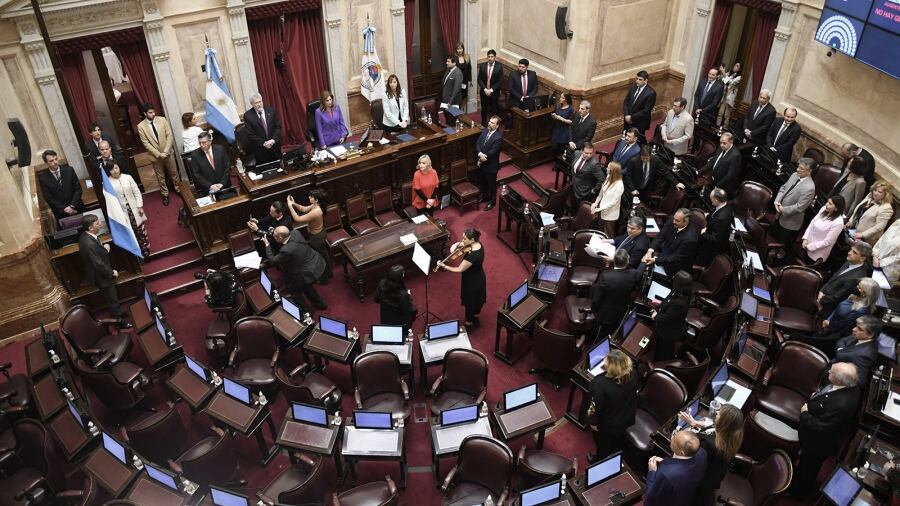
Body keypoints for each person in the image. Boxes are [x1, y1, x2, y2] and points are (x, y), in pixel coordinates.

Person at [788, 362, 860, 499]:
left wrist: (804, 414)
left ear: (839, 380)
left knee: (808, 469)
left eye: (831, 372)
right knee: (804, 464)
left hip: (818, 443)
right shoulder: (851, 385)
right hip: (816, 431)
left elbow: (822, 427)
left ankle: (798, 494)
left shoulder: (842, 405)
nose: (828, 372)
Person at [678, 404, 744, 498]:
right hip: (713, 475)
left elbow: (689, 463)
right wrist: (694, 422)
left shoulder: (708, 445)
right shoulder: (731, 436)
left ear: (723, 422)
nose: (717, 412)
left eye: (719, 413)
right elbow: (712, 426)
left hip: (699, 482)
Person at [78, 214, 131, 328]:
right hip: (100, 276)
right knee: (112, 298)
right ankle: (119, 322)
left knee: (112, 296)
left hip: (99, 273)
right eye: (97, 223)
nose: (100, 224)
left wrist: (104, 249)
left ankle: (118, 312)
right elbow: (98, 264)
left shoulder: (85, 236)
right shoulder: (89, 244)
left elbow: (96, 253)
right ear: (90, 227)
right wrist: (112, 273)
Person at [587, 349, 639, 461]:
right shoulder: (633, 373)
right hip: (628, 415)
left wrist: (593, 422)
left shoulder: (599, 384)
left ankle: (599, 459)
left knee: (603, 444)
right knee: (617, 439)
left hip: (609, 424)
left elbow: (595, 406)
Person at [262, 226, 327, 310]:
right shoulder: (295, 232)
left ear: (280, 237)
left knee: (295, 292)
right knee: (307, 287)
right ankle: (321, 304)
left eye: (274, 236)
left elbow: (273, 261)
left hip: (306, 272)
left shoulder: (286, 250)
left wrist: (267, 244)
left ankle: (306, 312)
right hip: (314, 261)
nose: (273, 237)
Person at [436, 228, 485, 328]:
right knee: (478, 299)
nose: (462, 240)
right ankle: (476, 317)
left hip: (471, 281)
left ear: (472, 239)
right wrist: (457, 244)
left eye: (465, 238)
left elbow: (459, 269)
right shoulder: (478, 244)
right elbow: (458, 246)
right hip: (480, 276)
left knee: (470, 302)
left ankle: (469, 324)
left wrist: (444, 266)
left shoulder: (473, 256)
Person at [815, 278, 881, 352]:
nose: (856, 287)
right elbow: (837, 308)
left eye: (859, 288)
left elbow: (843, 325)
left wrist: (828, 324)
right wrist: (828, 320)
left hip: (833, 332)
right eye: (858, 285)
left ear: (864, 293)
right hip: (829, 322)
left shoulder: (861, 310)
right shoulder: (853, 296)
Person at [591, 249, 644, 340]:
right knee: (615, 333)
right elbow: (640, 273)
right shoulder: (633, 274)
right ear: (627, 261)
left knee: (602, 336)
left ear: (614, 260)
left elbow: (597, 298)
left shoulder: (606, 276)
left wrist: (594, 310)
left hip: (606, 316)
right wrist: (643, 262)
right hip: (622, 313)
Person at [644, 430, 707, 506]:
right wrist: (667, 462)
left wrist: (652, 471)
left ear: (681, 452)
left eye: (674, 439)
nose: (672, 437)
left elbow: (651, 496)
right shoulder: (702, 453)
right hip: (686, 496)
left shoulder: (667, 473)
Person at [137, 103, 180, 206]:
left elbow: (169, 136)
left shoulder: (162, 120)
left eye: (154, 111)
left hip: (168, 153)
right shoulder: (141, 126)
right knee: (161, 177)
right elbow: (146, 143)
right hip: (155, 156)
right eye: (150, 112)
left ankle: (178, 189)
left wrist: (166, 151)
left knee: (174, 173)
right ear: (144, 113)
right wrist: (158, 154)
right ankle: (165, 194)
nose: (153, 114)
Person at [286, 189, 333, 283]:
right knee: (323, 254)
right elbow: (304, 209)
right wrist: (294, 203)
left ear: (316, 200)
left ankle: (325, 278)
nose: (309, 197)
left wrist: (290, 206)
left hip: (317, 238)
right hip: (318, 234)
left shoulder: (316, 211)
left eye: (311, 196)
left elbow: (298, 219)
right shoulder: (316, 205)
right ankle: (328, 272)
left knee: (320, 257)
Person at [818, 241, 873, 316]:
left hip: (828, 305)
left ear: (862, 258)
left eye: (854, 252)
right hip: (823, 293)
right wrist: (822, 290)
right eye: (851, 250)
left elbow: (838, 296)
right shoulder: (850, 261)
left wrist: (820, 300)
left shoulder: (857, 277)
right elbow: (834, 277)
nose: (849, 253)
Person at [107, 163, 150, 257]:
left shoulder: (128, 177)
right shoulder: (108, 183)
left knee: (140, 229)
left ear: (119, 167)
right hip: (122, 211)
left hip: (134, 208)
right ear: (109, 171)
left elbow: (137, 192)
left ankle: (145, 248)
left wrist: (140, 206)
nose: (115, 171)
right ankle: (136, 251)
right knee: (130, 232)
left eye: (116, 168)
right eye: (112, 169)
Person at [772, 158, 816, 247]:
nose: (797, 169)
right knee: (773, 238)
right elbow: (783, 188)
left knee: (781, 247)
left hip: (789, 223)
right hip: (778, 215)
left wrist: (783, 209)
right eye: (798, 167)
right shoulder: (794, 175)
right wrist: (777, 200)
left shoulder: (810, 188)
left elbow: (800, 207)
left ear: (809, 171)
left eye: (801, 168)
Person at [650, 270, 693, 361]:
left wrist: (655, 316)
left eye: (675, 278)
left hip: (668, 332)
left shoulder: (680, 304)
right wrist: (659, 306)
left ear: (679, 284)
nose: (673, 278)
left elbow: (665, 319)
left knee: (662, 355)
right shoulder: (677, 291)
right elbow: (667, 300)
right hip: (668, 320)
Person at [643, 208, 699, 277]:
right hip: (664, 257)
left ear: (686, 222)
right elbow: (660, 236)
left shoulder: (690, 239)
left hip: (674, 269)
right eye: (674, 219)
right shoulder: (673, 220)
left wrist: (656, 260)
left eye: (677, 221)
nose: (673, 222)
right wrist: (650, 251)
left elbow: (675, 258)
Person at [829, 315, 880, 386]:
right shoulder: (861, 336)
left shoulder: (865, 356)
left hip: (835, 378)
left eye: (859, 329)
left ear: (870, 335)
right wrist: (840, 349)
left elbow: (860, 381)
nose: (854, 329)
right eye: (856, 326)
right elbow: (842, 340)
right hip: (833, 364)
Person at [38, 149, 84, 221]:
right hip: (61, 213)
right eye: (51, 161)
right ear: (46, 163)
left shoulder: (69, 170)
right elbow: (48, 198)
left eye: (56, 159)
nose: (55, 162)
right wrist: (64, 209)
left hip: (77, 207)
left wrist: (72, 206)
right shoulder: (43, 178)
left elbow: (78, 189)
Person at [847, 181, 894, 245]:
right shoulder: (869, 196)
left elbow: (879, 227)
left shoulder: (886, 208)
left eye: (880, 192)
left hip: (866, 239)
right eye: (875, 190)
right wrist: (851, 221)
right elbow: (858, 210)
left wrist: (863, 234)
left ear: (886, 194)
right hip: (854, 231)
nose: (876, 193)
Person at [374, 265, 417, 333]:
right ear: (398, 279)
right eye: (403, 274)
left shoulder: (382, 283)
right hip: (399, 323)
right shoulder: (403, 295)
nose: (404, 275)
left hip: (385, 318)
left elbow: (376, 299)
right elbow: (407, 312)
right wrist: (409, 296)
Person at [802, 196, 845, 263]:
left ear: (836, 208)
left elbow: (827, 242)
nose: (826, 204)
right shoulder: (824, 209)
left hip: (816, 253)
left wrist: (809, 247)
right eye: (828, 202)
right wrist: (805, 238)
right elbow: (812, 223)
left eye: (830, 204)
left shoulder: (838, 223)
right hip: (807, 244)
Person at [697, 188, 734, 265]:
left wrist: (703, 233)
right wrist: (709, 217)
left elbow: (715, 239)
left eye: (712, 199)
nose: (711, 201)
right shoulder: (726, 205)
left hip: (710, 249)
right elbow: (716, 216)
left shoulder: (721, 218)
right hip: (716, 231)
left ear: (717, 200)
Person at [243, 93, 282, 165]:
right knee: (264, 168)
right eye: (256, 103)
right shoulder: (248, 116)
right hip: (260, 148)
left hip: (274, 145)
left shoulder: (271, 110)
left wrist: (273, 140)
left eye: (260, 101)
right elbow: (250, 134)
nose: (259, 104)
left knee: (278, 166)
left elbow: (278, 127)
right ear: (252, 104)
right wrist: (263, 143)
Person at [697, 132, 740, 196]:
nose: (721, 145)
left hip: (724, 186)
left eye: (724, 143)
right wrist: (699, 172)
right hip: (714, 180)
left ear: (731, 142)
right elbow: (712, 162)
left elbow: (730, 175)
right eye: (720, 142)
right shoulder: (721, 147)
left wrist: (717, 186)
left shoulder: (735, 155)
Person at [190, 131, 232, 195]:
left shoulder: (220, 149)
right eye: (200, 143)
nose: (201, 145)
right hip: (208, 189)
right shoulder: (195, 155)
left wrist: (222, 183)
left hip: (224, 185)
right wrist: (210, 185)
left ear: (210, 141)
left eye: (204, 142)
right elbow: (197, 174)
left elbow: (227, 166)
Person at [590, 161, 624, 237]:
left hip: (610, 214)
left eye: (608, 168)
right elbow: (601, 193)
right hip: (602, 209)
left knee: (608, 234)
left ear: (613, 171)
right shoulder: (608, 177)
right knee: (600, 230)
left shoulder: (619, 185)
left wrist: (599, 209)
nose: (606, 169)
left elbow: (614, 202)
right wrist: (596, 203)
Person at [476, 116, 503, 210]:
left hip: (491, 166)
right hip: (482, 163)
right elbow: (478, 143)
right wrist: (480, 154)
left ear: (497, 126)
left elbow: (493, 151)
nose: (489, 124)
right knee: (482, 182)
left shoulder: (498, 137)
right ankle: (485, 197)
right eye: (489, 121)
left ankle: (492, 202)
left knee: (492, 185)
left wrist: (482, 157)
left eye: (492, 123)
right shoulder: (485, 131)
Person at [570, 142, 604, 213]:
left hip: (584, 192)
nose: (589, 155)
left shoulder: (594, 164)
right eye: (586, 153)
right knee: (573, 207)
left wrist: (594, 190)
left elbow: (602, 179)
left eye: (591, 153)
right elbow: (573, 166)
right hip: (573, 186)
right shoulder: (576, 153)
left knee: (580, 212)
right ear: (581, 151)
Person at [622, 70, 656, 137]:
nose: (637, 81)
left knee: (638, 139)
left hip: (639, 122)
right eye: (636, 79)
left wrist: (631, 118)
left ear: (646, 81)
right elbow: (626, 101)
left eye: (640, 79)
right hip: (627, 119)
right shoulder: (633, 87)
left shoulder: (651, 93)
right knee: (626, 136)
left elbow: (646, 110)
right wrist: (626, 115)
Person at [477, 49, 503, 125]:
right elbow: (479, 79)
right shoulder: (483, 66)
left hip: (494, 92)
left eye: (492, 56)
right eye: (489, 56)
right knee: (484, 109)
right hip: (484, 92)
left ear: (495, 57)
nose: (490, 58)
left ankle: (494, 124)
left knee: (494, 109)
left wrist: (491, 90)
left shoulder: (499, 66)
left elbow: (500, 81)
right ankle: (483, 123)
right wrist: (485, 89)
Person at [874, 220, 900, 285]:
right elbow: (883, 238)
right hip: (876, 260)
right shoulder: (898, 222)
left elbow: (898, 257)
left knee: (882, 287)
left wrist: (881, 262)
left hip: (891, 268)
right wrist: (875, 255)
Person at [549, 93, 574, 159]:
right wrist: (554, 116)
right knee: (554, 147)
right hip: (556, 128)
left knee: (560, 148)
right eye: (560, 97)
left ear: (566, 99)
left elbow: (571, 121)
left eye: (562, 98)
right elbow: (556, 114)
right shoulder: (558, 106)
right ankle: (555, 159)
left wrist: (561, 119)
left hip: (564, 130)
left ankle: (559, 161)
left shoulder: (571, 109)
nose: (560, 99)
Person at [717, 62, 741, 126]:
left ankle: (724, 127)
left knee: (727, 114)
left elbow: (731, 82)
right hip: (724, 94)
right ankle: (717, 125)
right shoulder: (730, 73)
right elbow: (722, 79)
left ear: (740, 69)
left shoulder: (739, 77)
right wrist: (721, 72)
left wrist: (724, 73)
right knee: (720, 112)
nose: (735, 67)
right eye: (734, 65)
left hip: (730, 96)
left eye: (737, 66)